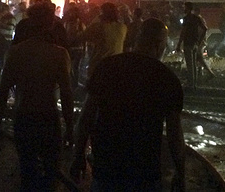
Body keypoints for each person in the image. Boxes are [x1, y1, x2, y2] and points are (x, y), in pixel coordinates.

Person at [71, 18, 186, 190]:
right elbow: (174, 134)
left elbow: (86, 117)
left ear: (138, 39)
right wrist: (180, 173)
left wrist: (78, 154)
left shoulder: (107, 67)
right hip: (144, 171)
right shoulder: (167, 78)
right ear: (160, 44)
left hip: (107, 166)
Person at [0, 0, 74, 191]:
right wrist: (70, 128)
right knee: (51, 173)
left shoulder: (16, 52)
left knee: (27, 172)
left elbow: (2, 92)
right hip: (48, 117)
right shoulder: (59, 54)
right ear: (51, 23)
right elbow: (66, 94)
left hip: (23, 116)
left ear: (30, 21)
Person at [81, 2, 127, 78]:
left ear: (102, 14)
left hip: (99, 66)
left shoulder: (98, 27)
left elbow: (83, 36)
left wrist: (96, 19)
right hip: (116, 67)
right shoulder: (123, 27)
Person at [176, 2, 208, 90]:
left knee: (190, 65)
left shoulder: (186, 19)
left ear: (188, 8)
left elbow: (183, 32)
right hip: (195, 43)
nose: (184, 9)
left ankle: (191, 84)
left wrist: (179, 44)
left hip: (188, 43)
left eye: (185, 7)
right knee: (193, 65)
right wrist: (199, 41)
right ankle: (194, 84)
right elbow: (205, 29)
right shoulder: (197, 18)